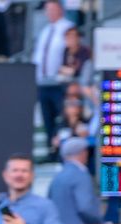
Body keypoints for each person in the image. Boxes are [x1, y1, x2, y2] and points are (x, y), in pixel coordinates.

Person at [33, 0, 74, 160]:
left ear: (60, 9)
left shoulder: (67, 27)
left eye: (52, 9)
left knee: (61, 118)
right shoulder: (45, 30)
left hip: (59, 83)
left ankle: (63, 153)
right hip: (43, 82)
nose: (49, 12)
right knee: (47, 118)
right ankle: (52, 152)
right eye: (47, 10)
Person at [47, 137, 102, 224]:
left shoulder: (57, 177)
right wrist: (99, 222)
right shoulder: (81, 175)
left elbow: (49, 204)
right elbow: (86, 208)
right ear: (83, 153)